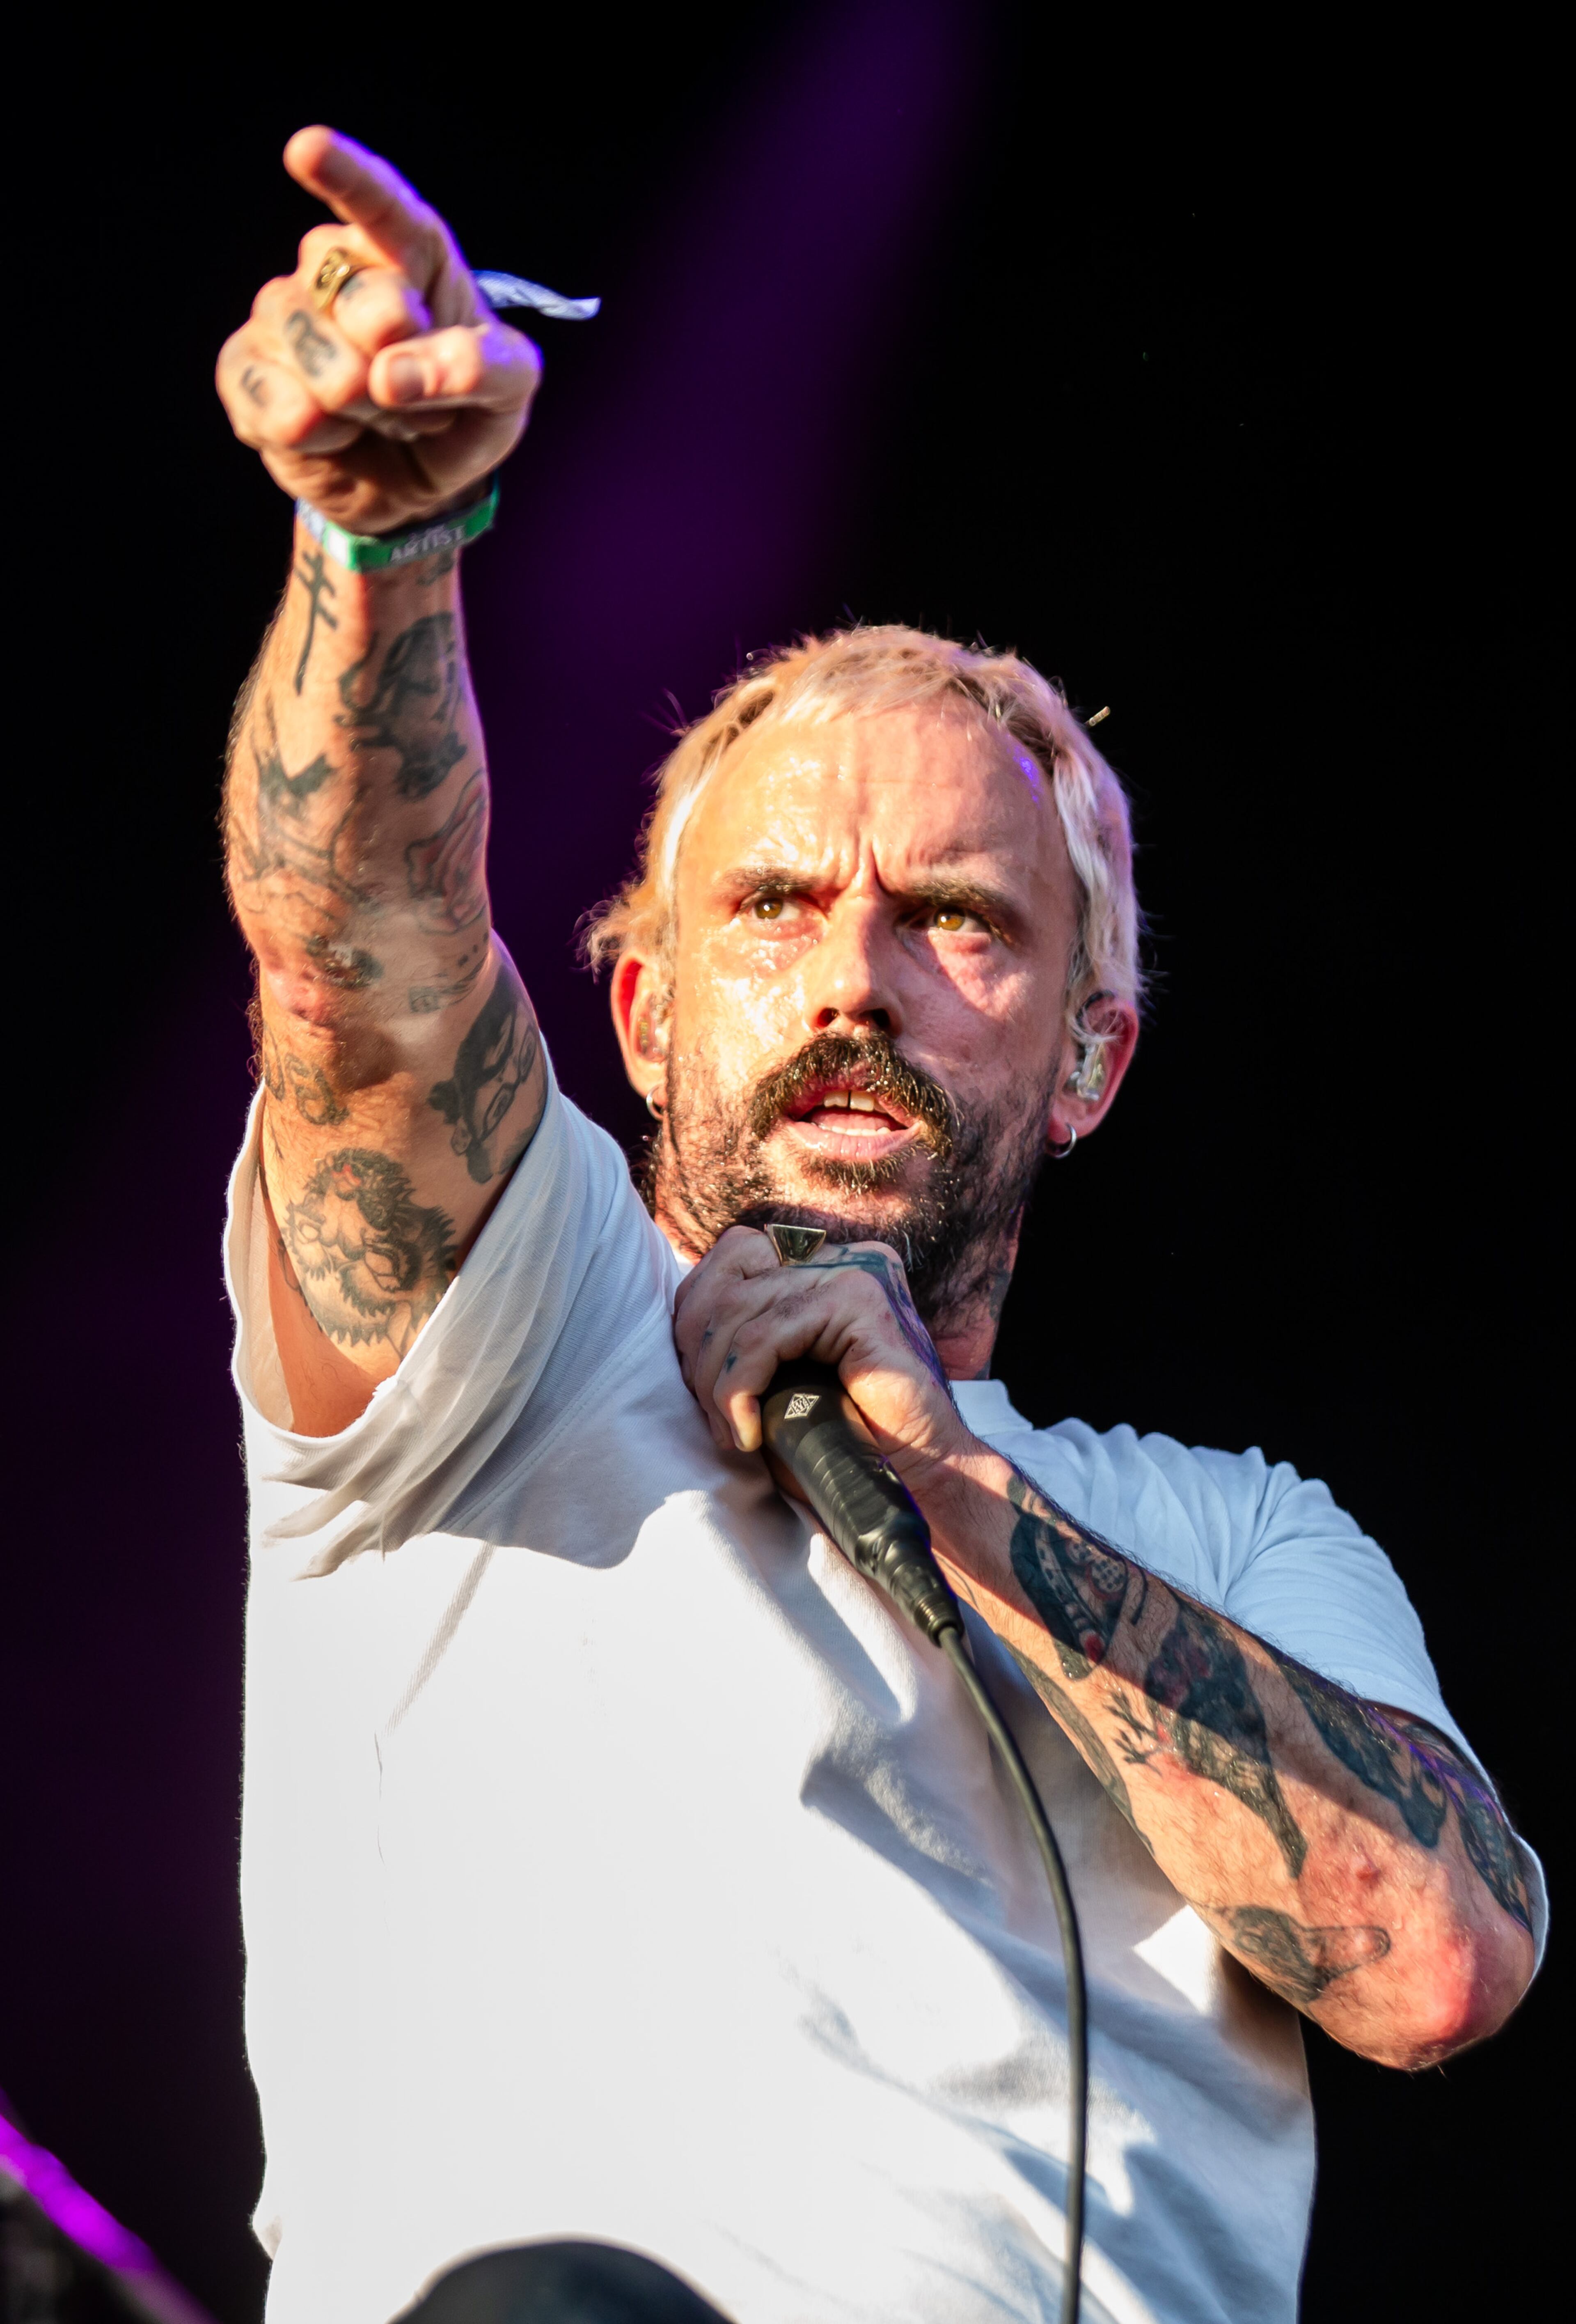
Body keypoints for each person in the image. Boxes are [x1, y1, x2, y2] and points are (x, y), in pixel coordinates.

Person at [213, 128, 1543, 2324]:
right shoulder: (515, 1331)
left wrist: (949, 1484)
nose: (851, 980)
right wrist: (378, 546)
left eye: (955, 921)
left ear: (1090, 1058)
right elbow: (365, 972)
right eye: (770, 908)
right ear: (644, 1019)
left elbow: (1436, 1963)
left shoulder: (1242, 1538)